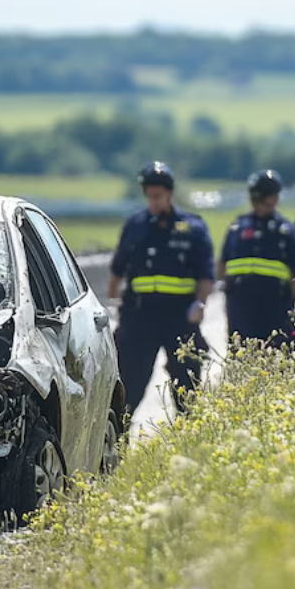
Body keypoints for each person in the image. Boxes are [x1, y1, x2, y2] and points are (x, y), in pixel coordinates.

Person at [108, 162, 215, 418]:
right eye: (149, 196)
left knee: (187, 385)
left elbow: (206, 274)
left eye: (158, 196)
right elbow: (118, 269)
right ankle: (117, 447)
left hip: (179, 317)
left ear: (169, 194)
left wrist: (200, 305)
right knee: (128, 385)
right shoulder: (135, 225)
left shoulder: (192, 228)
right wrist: (112, 304)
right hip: (140, 316)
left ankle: (188, 442)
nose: (153, 201)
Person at [218, 169, 295, 346]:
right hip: (240, 304)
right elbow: (222, 264)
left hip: (274, 305)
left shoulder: (284, 230)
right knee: (241, 353)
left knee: (276, 353)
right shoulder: (238, 226)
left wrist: (293, 305)